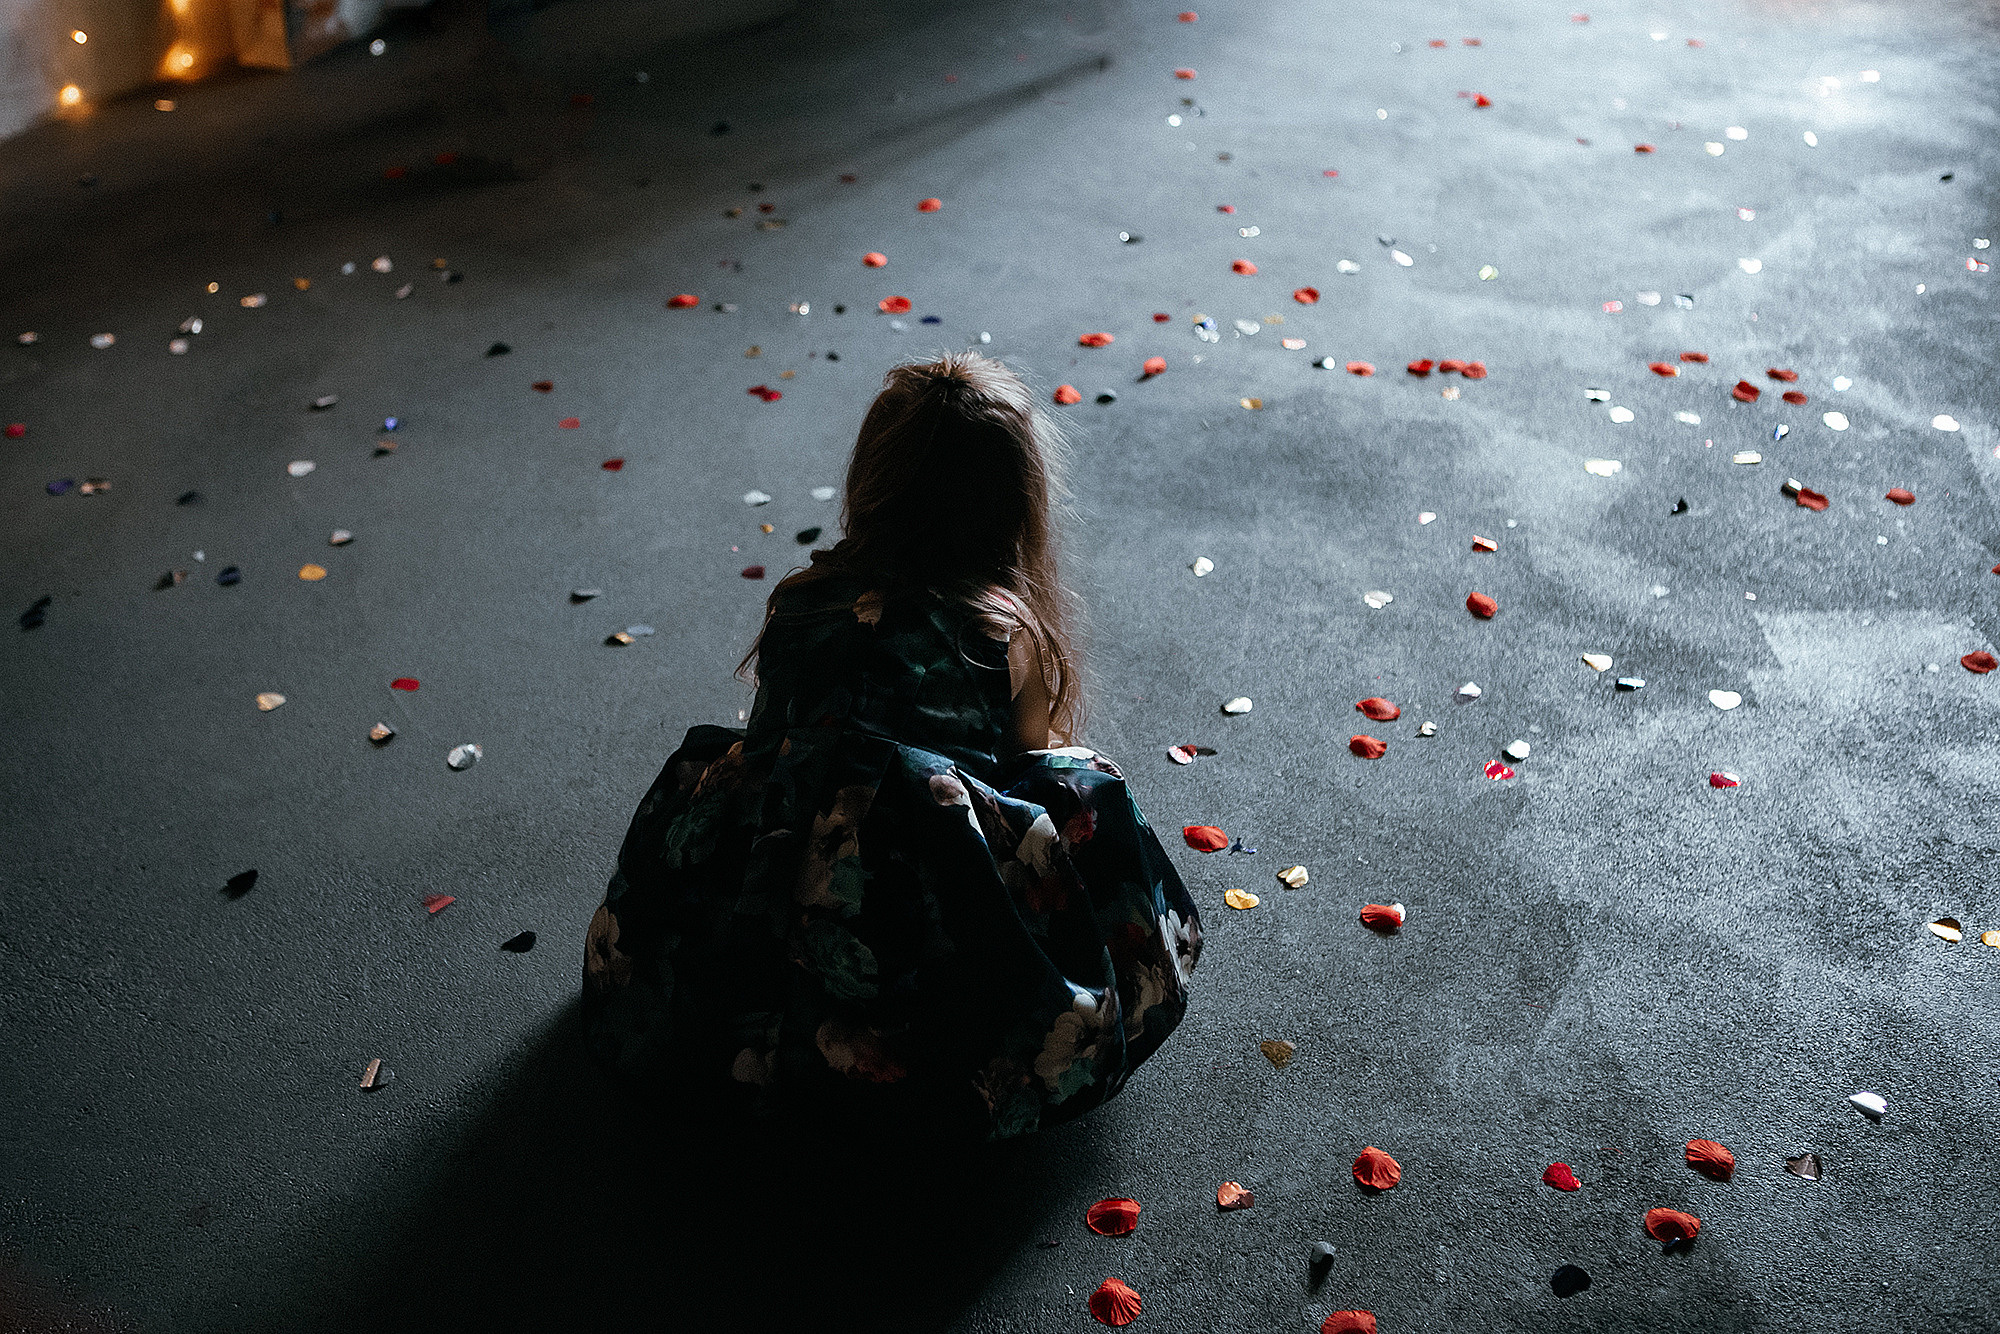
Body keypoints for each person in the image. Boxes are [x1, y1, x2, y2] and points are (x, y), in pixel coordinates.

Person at [581, 353, 1202, 1140]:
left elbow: (779, 742)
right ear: (1017, 504)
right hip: (919, 909)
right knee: (1076, 787)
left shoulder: (803, 601)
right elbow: (1025, 782)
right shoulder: (1003, 633)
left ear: (871, 483)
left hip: (769, 905)